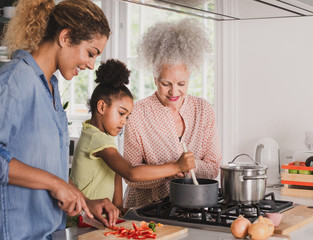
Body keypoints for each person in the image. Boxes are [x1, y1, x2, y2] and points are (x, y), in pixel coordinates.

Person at [0, 0, 118, 239]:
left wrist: (85, 202)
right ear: (65, 37)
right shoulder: (15, 80)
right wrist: (56, 184)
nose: (91, 64)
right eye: (90, 53)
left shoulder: (52, 88)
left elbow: (46, 169)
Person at [69, 59, 195, 212]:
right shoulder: (96, 138)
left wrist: (119, 206)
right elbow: (130, 172)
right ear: (102, 107)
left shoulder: (99, 134)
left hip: (98, 215)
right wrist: (176, 166)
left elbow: (115, 172)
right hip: (83, 217)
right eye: (121, 113)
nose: (124, 122)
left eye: (127, 117)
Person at [123, 18, 222, 208]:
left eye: (181, 84)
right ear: (154, 78)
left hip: (193, 207)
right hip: (145, 211)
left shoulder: (204, 110)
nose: (174, 92)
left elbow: (212, 168)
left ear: (189, 78)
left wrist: (188, 165)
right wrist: (171, 169)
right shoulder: (137, 113)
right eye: (166, 84)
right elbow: (131, 177)